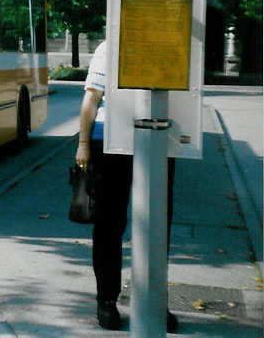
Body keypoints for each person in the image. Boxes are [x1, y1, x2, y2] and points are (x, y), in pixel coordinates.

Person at [76, 40, 178, 332]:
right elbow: (92, 98)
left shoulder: (167, 41)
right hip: (112, 141)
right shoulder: (109, 47)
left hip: (160, 137)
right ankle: (106, 300)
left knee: (157, 225)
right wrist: (83, 145)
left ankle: (153, 303)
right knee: (110, 222)